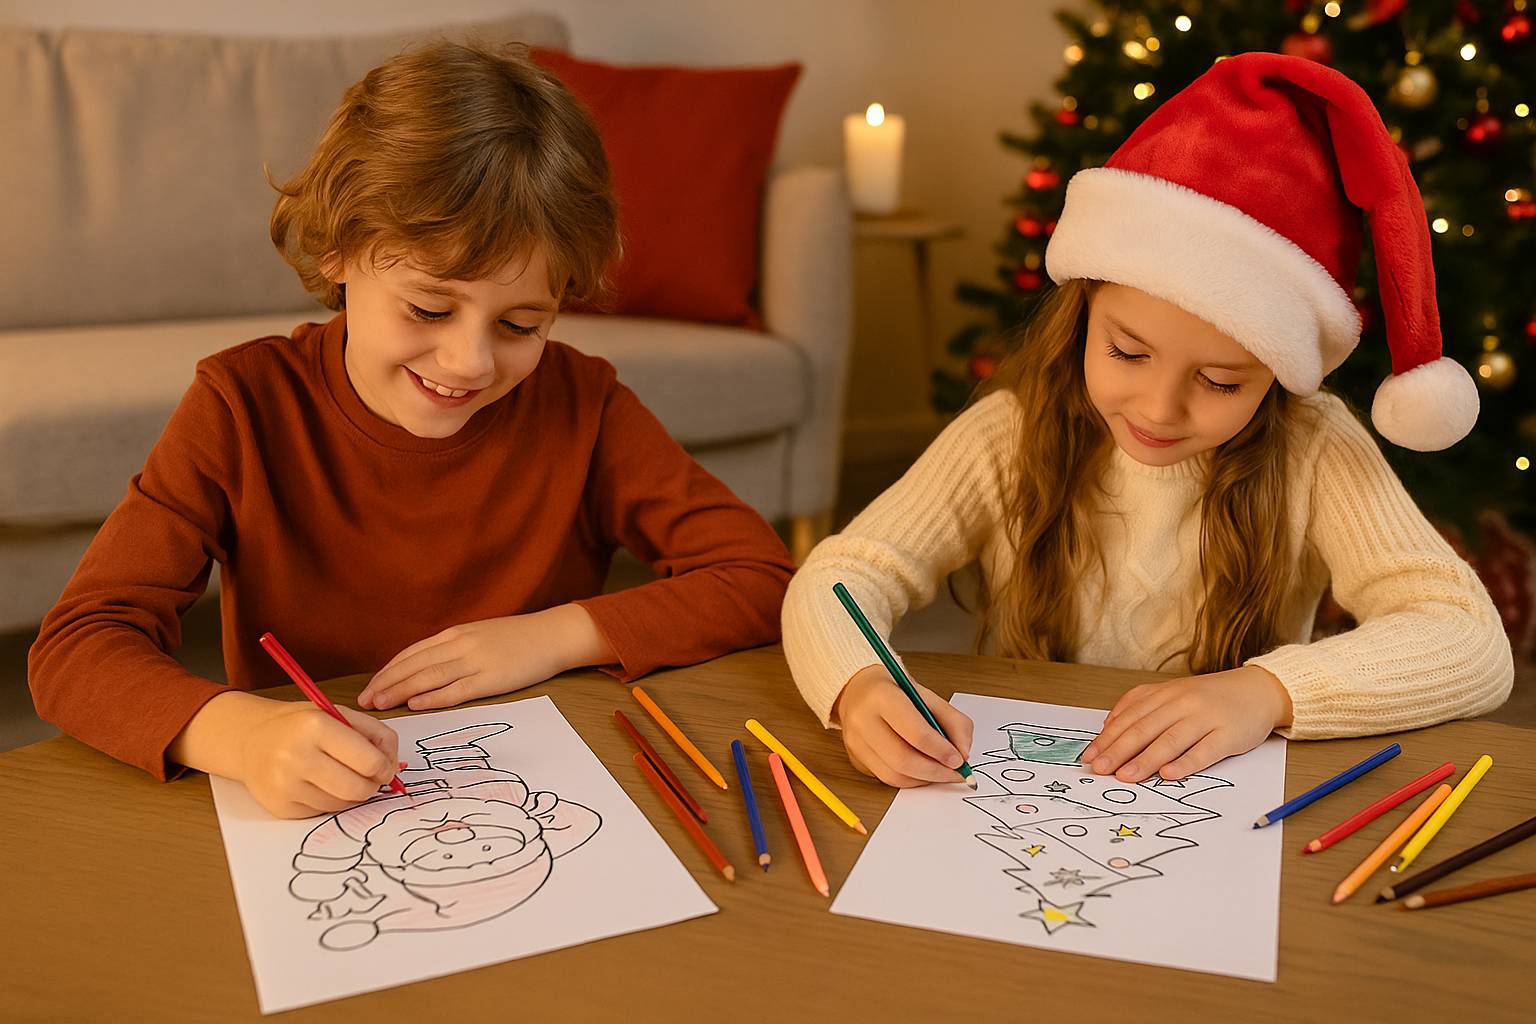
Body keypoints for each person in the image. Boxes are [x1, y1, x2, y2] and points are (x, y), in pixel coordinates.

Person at [29, 42, 794, 817]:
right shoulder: (241, 405)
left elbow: (762, 580)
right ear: (339, 250)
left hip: (535, 792)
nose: (468, 363)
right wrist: (242, 737)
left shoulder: (582, 404)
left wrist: (552, 637)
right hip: (319, 819)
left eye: (523, 324)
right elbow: (76, 648)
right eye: (429, 310)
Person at [783, 52, 1512, 789]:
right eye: (1128, 352)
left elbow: (1471, 642)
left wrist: (1267, 692)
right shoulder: (1008, 433)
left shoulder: (1312, 445)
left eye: (1222, 380)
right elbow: (841, 577)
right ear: (1083, 316)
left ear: (1279, 375)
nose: (1161, 409)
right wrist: (859, 687)